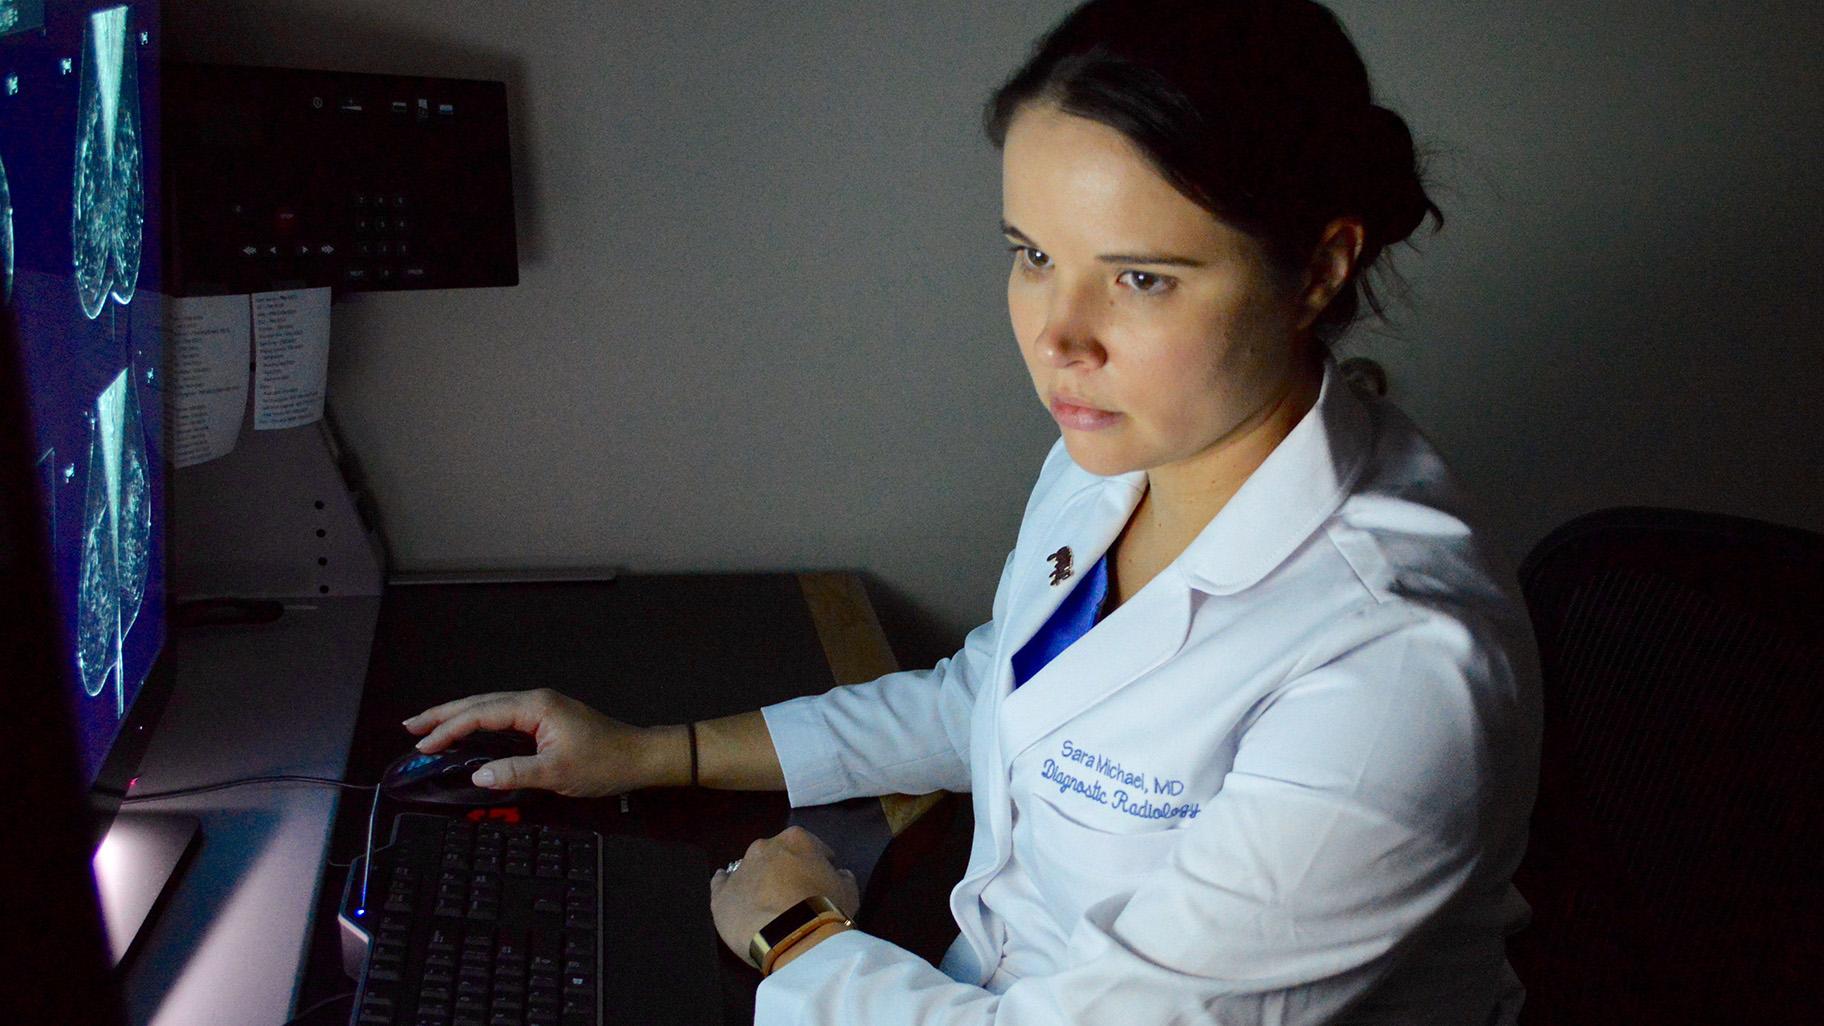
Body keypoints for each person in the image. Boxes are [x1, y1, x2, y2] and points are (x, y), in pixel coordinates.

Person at [404, 1, 1543, 1021]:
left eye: (1141, 277)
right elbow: (996, 696)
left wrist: (795, 938)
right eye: (1033, 255)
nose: (1058, 335)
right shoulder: (1124, 449)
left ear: (1317, 269)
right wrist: (654, 754)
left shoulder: (1391, 671)